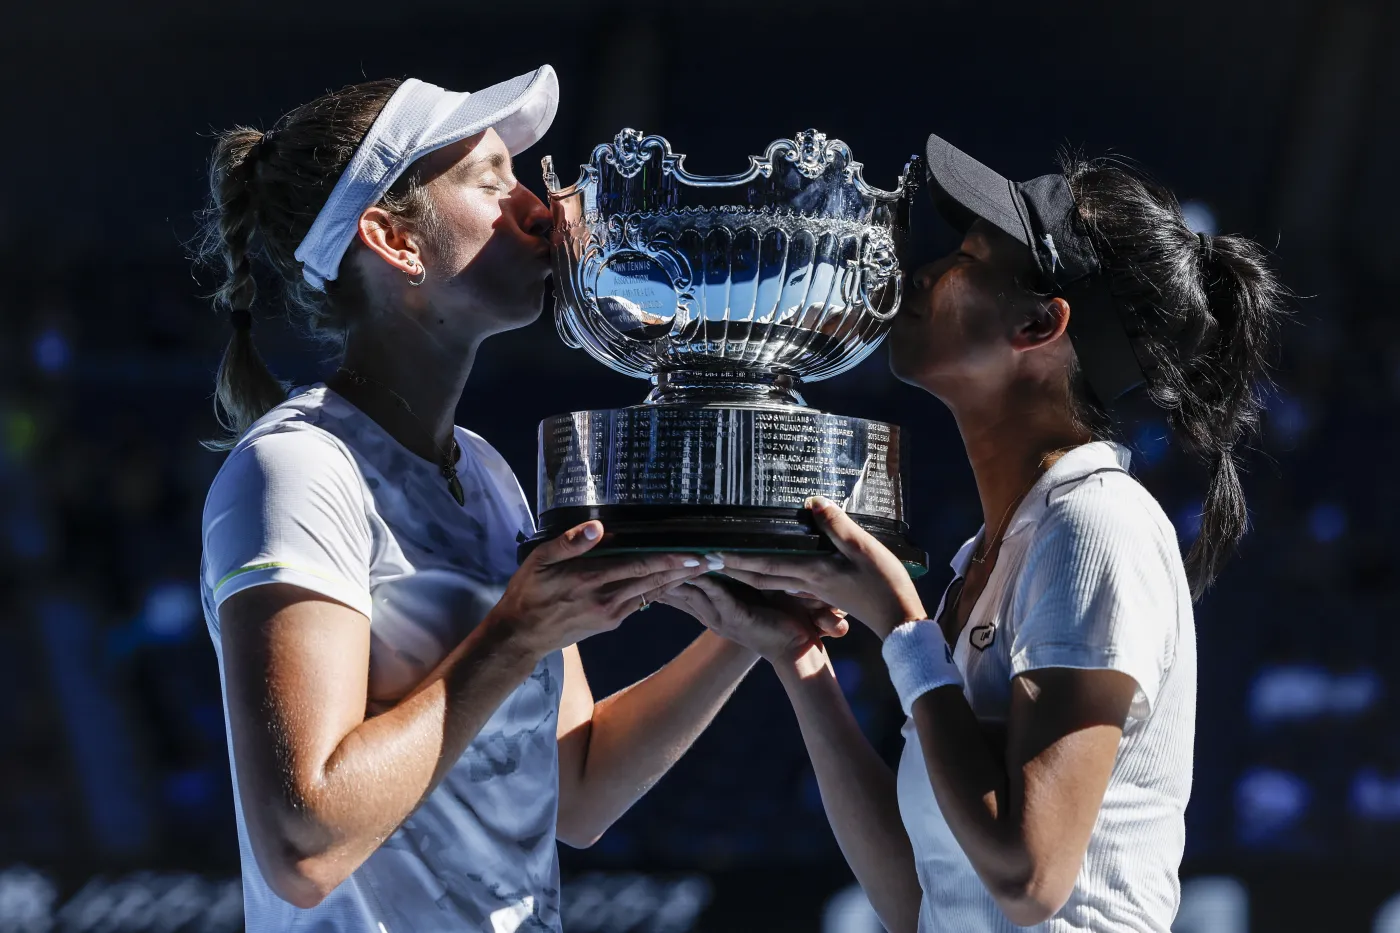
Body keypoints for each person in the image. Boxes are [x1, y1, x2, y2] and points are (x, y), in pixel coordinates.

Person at [196, 66, 842, 932]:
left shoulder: (490, 475)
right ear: (394, 240)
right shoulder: (296, 468)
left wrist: (743, 636)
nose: (541, 208)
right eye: (490, 179)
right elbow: (303, 847)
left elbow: (577, 788)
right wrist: (519, 630)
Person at [658, 134, 1288, 932]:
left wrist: (902, 626)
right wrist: (799, 660)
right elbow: (920, 900)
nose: (923, 272)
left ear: (1038, 324)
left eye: (966, 256)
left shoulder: (1099, 523)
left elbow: (1028, 879)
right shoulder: (990, 556)